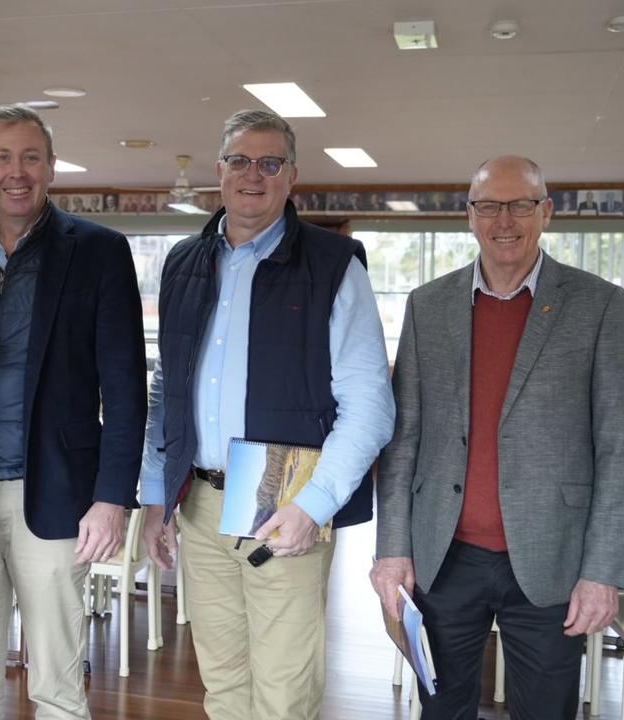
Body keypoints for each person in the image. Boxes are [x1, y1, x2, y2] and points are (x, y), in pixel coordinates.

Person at [139, 108, 395, 719]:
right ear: (218, 170)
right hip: (198, 507)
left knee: (283, 694)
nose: (253, 174)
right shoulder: (182, 263)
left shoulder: (334, 266)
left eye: (270, 162)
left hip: (286, 506)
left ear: (291, 175)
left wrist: (314, 505)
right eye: (239, 160)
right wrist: (155, 497)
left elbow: (371, 408)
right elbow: (166, 388)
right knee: (223, 687)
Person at [370, 156, 624, 720]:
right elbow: (404, 440)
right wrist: (392, 549)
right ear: (470, 216)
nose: (505, 219)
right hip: (444, 558)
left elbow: (622, 447)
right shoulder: (429, 305)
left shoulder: (598, 305)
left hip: (555, 560)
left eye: (520, 204)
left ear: (545, 212)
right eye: (489, 205)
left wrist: (603, 571)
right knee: (442, 707)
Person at [0, 104, 147, 720]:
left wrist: (112, 498)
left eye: (30, 157)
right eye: (3, 157)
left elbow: (126, 388)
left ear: (51, 167)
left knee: (56, 678)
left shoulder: (99, 251)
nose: (16, 172)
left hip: (54, 493)